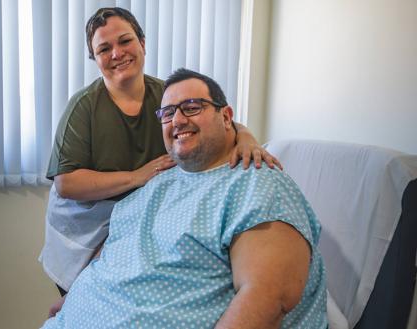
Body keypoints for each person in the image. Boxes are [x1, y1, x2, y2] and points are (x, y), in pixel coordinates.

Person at [41, 68, 327, 329]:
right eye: (167, 113)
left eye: (192, 107)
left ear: (227, 117)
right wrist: (76, 296)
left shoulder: (256, 185)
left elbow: (268, 298)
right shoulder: (161, 179)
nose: (177, 120)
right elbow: (118, 245)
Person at [39, 7, 282, 296]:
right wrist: (136, 177)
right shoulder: (83, 108)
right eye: (104, 48)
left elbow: (213, 118)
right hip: (86, 230)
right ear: (95, 59)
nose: (117, 53)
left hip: (137, 222)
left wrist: (246, 138)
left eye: (125, 41)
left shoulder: (167, 95)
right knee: (87, 297)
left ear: (142, 43)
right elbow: (66, 183)